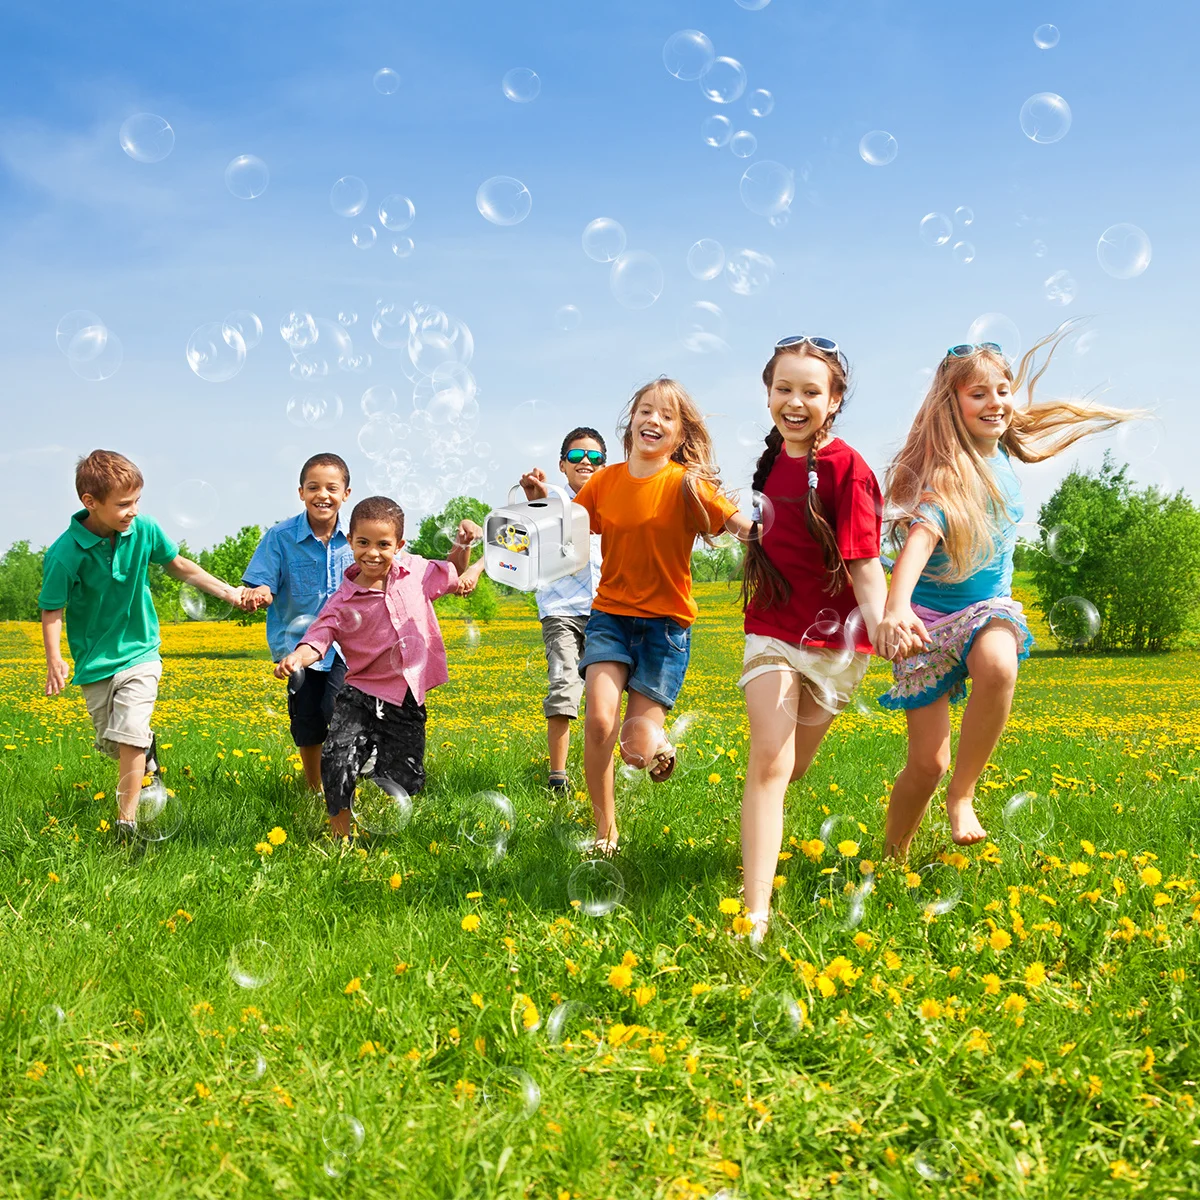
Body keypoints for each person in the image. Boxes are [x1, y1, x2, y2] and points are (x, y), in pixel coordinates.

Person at [875, 329, 1137, 857]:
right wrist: (895, 607)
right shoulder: (946, 474)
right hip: (924, 624)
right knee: (927, 763)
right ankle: (892, 857)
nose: (995, 402)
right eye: (979, 394)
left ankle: (963, 796)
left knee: (998, 664)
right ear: (953, 406)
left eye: (1003, 389)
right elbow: (919, 541)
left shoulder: (1003, 452)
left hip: (985, 609)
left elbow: (1025, 428)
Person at [525, 378, 740, 855]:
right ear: (631, 421)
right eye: (645, 410)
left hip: (666, 629)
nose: (653, 420)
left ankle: (655, 746)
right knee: (599, 720)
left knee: (634, 750)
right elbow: (565, 536)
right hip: (611, 617)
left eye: (666, 415)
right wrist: (541, 502)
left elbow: (742, 525)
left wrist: (776, 534)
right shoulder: (605, 481)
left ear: (681, 433)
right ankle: (606, 833)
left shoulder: (687, 485)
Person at [737, 336, 888, 943]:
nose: (795, 402)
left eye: (809, 391)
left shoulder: (849, 468)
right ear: (769, 393)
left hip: (836, 644)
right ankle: (755, 915)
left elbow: (865, 565)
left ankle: (759, 842)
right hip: (772, 628)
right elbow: (770, 532)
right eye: (784, 389)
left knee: (792, 768)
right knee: (771, 761)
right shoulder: (770, 461)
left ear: (835, 399)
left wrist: (883, 627)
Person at [39, 450, 254, 840]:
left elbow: (180, 566)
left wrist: (230, 593)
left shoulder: (145, 529)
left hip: (141, 652)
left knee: (130, 732)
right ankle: (147, 755)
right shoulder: (64, 554)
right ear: (90, 503)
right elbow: (52, 608)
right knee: (112, 741)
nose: (133, 511)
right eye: (123, 504)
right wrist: (54, 658)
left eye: (137, 501)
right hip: (95, 661)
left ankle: (127, 824)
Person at [273, 496, 484, 838]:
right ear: (351, 541)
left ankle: (383, 831)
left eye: (383, 544)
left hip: (406, 696)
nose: (372, 552)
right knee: (337, 759)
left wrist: (462, 543)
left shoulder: (416, 572)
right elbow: (319, 638)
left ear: (399, 545)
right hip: (359, 693)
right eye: (363, 543)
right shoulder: (343, 599)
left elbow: (453, 573)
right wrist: (299, 657)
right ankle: (340, 837)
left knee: (403, 775)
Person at [242, 452, 355, 792]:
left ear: (346, 494)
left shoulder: (355, 538)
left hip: (347, 647)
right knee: (309, 718)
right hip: (297, 646)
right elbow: (263, 581)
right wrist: (259, 591)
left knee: (342, 713)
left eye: (332, 488)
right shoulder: (280, 536)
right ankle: (314, 787)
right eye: (313, 487)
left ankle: (344, 783)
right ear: (301, 492)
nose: (323, 495)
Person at [518, 427, 606, 793]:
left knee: (605, 694)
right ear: (562, 465)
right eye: (575, 456)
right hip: (560, 611)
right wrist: (535, 501)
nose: (585, 461)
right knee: (564, 685)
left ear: (605, 465)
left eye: (595, 457)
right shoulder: (550, 502)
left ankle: (602, 771)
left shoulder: (614, 503)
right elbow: (519, 547)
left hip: (606, 610)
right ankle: (558, 778)